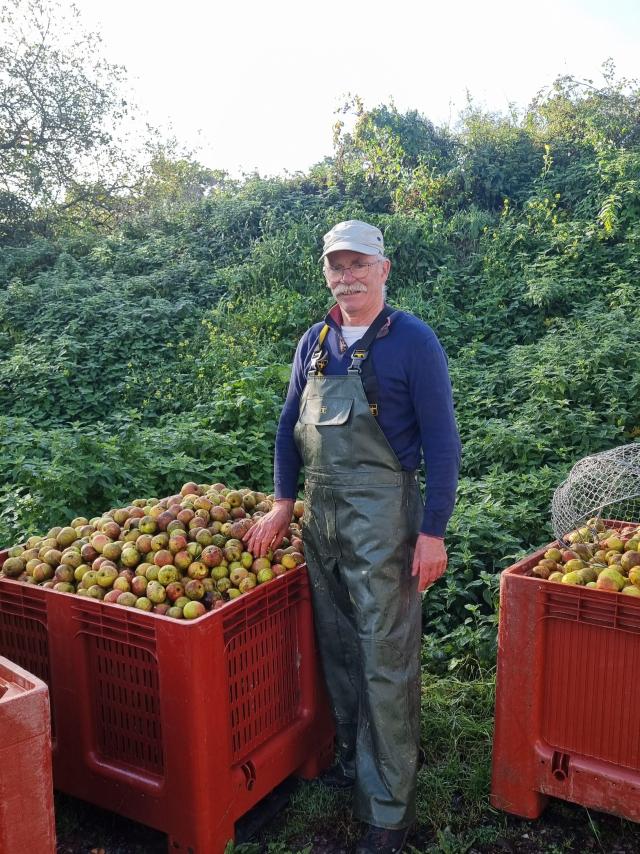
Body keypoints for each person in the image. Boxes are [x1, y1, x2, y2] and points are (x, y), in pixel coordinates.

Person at [244, 219, 460, 854]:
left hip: (385, 517)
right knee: (339, 648)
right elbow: (289, 424)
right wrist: (285, 503)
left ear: (383, 269)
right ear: (326, 274)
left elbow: (443, 444)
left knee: (385, 656)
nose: (348, 276)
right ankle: (354, 766)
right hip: (323, 517)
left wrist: (432, 532)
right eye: (337, 266)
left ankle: (389, 810)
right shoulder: (315, 341)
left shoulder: (413, 341)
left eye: (359, 264)